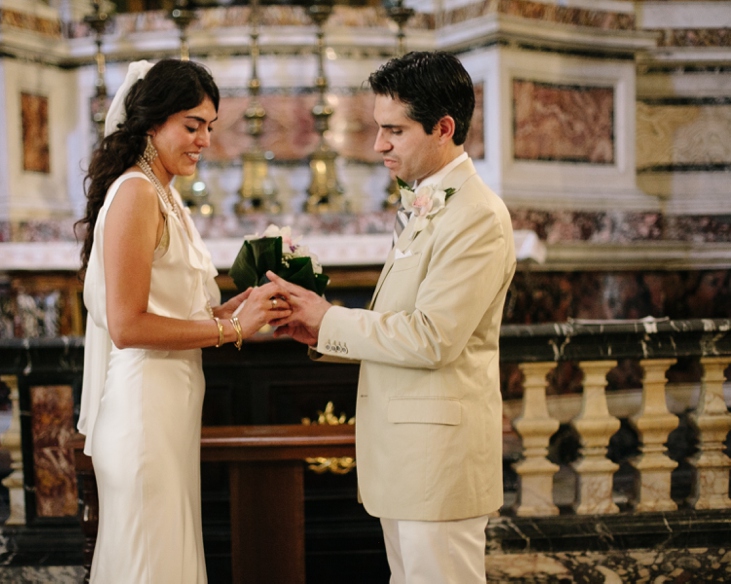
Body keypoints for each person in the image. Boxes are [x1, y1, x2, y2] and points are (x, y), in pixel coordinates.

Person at [269, 51, 516, 583]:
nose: (379, 145)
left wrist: (330, 318)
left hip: (438, 463)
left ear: (443, 127)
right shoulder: (430, 203)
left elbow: (432, 338)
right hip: (408, 461)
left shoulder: (476, 216)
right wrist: (317, 327)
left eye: (394, 131)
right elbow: (400, 320)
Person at [75, 59, 289, 583]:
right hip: (143, 409)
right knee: (150, 564)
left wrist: (238, 308)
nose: (204, 140)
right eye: (192, 125)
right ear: (152, 122)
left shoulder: (163, 192)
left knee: (166, 558)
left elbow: (173, 313)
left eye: (210, 127)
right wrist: (231, 330)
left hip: (169, 406)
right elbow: (128, 326)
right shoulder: (136, 192)